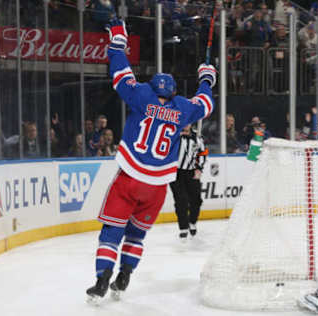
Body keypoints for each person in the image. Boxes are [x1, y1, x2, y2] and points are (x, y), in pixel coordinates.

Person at [85, 18, 216, 304]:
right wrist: (206, 77)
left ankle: (102, 278)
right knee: (136, 235)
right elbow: (205, 103)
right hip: (157, 187)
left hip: (130, 178)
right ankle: (126, 275)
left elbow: (120, 74)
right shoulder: (182, 108)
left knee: (112, 230)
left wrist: (118, 39)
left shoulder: (142, 95)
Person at [169, 124, 208, 242]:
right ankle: (183, 227)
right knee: (181, 200)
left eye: (189, 122)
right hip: (175, 173)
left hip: (191, 172)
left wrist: (199, 168)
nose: (186, 124)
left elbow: (203, 153)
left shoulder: (197, 137)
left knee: (196, 200)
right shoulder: (172, 134)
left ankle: (192, 221)